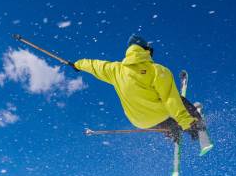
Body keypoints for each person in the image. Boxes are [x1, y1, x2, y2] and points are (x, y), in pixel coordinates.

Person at [71, 34, 204, 142]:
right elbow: (171, 99)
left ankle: (172, 131)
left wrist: (77, 65)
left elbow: (93, 65)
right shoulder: (157, 70)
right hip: (160, 113)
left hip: (140, 121)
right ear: (146, 50)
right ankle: (196, 123)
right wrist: (187, 123)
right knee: (179, 100)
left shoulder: (115, 70)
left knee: (166, 120)